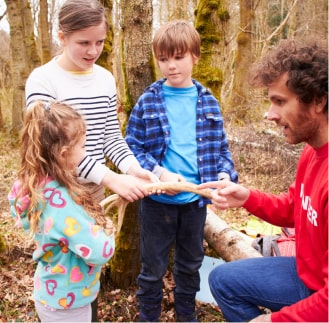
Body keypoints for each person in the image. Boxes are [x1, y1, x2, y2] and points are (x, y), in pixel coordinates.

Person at [198, 38, 328, 322]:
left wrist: (271, 321)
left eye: (280, 101)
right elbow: (294, 209)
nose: (269, 115)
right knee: (222, 280)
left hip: (323, 294)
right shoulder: (311, 151)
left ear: (318, 100)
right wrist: (245, 197)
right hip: (306, 274)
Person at [125, 20, 238, 322]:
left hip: (195, 203)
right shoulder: (149, 100)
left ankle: (186, 316)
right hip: (156, 203)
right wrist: (160, 174)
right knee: (152, 269)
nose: (171, 66)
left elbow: (221, 150)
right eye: (163, 59)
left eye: (178, 57)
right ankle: (148, 317)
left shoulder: (208, 103)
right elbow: (132, 147)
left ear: (195, 56)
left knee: (190, 265)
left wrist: (226, 175)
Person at [25, 0, 157, 205]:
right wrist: (111, 178)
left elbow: (111, 136)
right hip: (54, 191)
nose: (93, 51)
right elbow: (51, 148)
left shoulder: (105, 79)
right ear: (62, 38)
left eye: (100, 42)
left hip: (94, 189)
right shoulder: (43, 80)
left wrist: (133, 168)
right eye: (84, 43)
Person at [8, 101, 116, 322]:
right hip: (69, 304)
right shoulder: (60, 203)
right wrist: (108, 231)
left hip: (49, 292)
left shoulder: (32, 186)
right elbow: (100, 252)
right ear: (65, 153)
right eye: (83, 147)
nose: (85, 152)